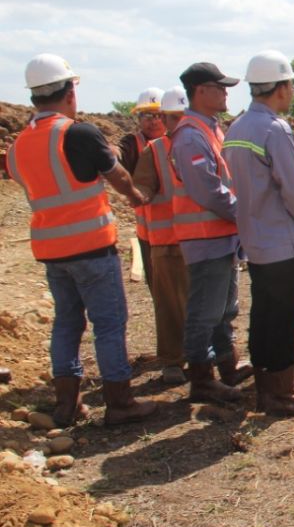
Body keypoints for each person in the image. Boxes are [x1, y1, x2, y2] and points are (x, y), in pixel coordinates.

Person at [6, 54, 156, 426]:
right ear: (70, 91)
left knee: (67, 323)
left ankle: (66, 405)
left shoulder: (19, 145)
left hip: (50, 250)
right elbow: (118, 175)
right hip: (91, 246)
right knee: (109, 323)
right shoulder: (77, 132)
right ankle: (120, 403)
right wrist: (136, 197)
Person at [223, 50, 294, 416]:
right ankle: (283, 394)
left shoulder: (236, 128)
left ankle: (266, 391)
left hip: (255, 241)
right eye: (290, 86)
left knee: (264, 316)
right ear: (281, 88)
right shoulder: (275, 129)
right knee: (284, 319)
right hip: (284, 243)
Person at [172, 61, 252, 404]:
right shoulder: (190, 135)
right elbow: (207, 190)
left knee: (223, 308)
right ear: (201, 91)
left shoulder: (211, 129)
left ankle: (227, 367)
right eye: (220, 88)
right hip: (205, 237)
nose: (225, 94)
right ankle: (202, 380)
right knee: (204, 312)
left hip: (221, 235)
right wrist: (246, 215)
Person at [130, 86, 190, 386]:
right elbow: (141, 188)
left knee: (208, 302)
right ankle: (173, 360)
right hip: (166, 240)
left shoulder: (208, 141)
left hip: (205, 239)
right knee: (169, 304)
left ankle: (208, 356)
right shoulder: (151, 151)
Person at [119, 87, 167, 289]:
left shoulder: (182, 141)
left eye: (158, 115)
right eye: (147, 115)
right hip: (149, 232)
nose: (153, 120)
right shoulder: (132, 144)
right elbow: (118, 155)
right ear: (138, 118)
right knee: (158, 287)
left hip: (182, 231)